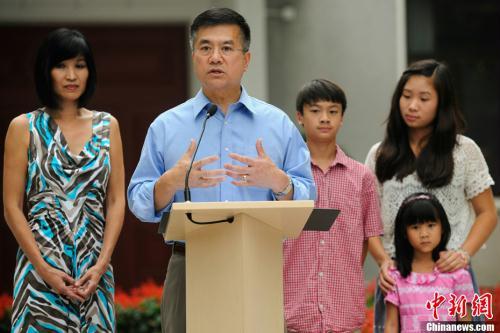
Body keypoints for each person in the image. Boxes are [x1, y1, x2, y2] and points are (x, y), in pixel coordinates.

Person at [127, 8, 315, 333]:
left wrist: (280, 183)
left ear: (246, 59)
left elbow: (309, 196)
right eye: (205, 47)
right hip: (190, 261)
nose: (215, 57)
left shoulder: (277, 124)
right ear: (194, 56)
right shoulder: (166, 126)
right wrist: (171, 182)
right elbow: (138, 201)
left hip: (258, 260)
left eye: (227, 48)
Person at [3, 28, 125, 332]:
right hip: (40, 272)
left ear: (89, 71)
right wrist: (44, 269)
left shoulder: (107, 125)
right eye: (61, 65)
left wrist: (101, 265)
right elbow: (11, 207)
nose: (72, 75)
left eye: (80, 65)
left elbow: (116, 200)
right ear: (47, 71)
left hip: (93, 273)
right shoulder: (23, 127)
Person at [365, 59, 497, 332]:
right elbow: (368, 221)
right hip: (398, 280)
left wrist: (463, 254)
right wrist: (383, 261)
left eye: (424, 98)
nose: (412, 106)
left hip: (451, 276)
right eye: (406, 96)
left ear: (442, 103)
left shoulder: (464, 151)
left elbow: (487, 213)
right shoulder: (380, 154)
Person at [283, 79, 391, 333]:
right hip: (292, 306)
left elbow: (369, 235)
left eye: (333, 111)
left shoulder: (361, 176)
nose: (325, 118)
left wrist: (347, 270)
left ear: (342, 118)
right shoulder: (285, 176)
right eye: (315, 110)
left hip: (343, 306)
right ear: (299, 116)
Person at [384, 192, 475, 332]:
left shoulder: (458, 275)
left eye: (431, 225)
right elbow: (391, 325)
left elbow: (465, 324)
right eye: (415, 227)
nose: (424, 234)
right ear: (404, 232)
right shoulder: (395, 276)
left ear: (442, 228)